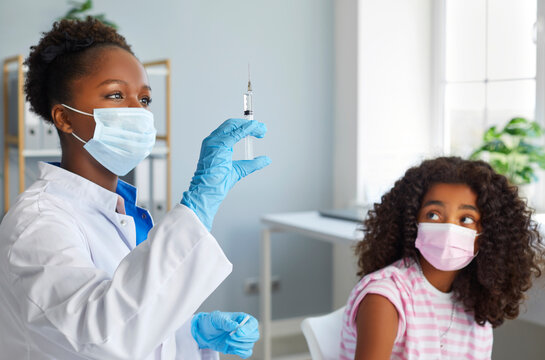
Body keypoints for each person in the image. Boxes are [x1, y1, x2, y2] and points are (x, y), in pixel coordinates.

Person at [0, 18, 271, 359]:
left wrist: (190, 333)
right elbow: (100, 338)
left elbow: (131, 310)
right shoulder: (37, 225)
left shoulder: (119, 210)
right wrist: (198, 207)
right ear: (64, 118)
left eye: (144, 100)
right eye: (115, 95)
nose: (137, 112)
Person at [340, 157, 545, 360]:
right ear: (412, 221)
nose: (449, 228)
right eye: (433, 215)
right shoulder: (385, 298)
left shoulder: (474, 302)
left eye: (466, 219)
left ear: (490, 232)